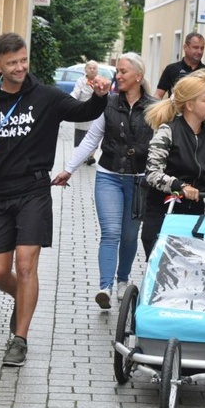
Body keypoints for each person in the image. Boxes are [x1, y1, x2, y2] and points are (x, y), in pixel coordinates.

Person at [0, 33, 111, 367]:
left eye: (23, 60)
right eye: (12, 63)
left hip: (34, 191)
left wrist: (99, 97)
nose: (20, 67)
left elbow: (82, 111)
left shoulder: (45, 96)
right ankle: (24, 300)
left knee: (26, 263)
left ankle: (19, 339)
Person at [52, 53, 155, 309]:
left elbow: (162, 144)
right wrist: (69, 169)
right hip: (108, 176)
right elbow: (90, 139)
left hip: (140, 181)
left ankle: (122, 280)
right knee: (111, 232)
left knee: (130, 236)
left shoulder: (154, 108)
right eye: (117, 71)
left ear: (138, 77)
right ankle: (105, 287)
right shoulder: (108, 103)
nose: (117, 76)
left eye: (123, 72)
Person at [142, 69, 205, 259]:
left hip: (193, 214)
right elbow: (153, 173)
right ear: (189, 105)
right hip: (163, 212)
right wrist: (180, 186)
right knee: (162, 270)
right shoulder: (168, 131)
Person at [155, 32, 205, 127]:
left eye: (202, 48)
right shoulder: (171, 69)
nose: (199, 51)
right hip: (174, 123)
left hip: (200, 126)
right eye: (195, 47)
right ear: (185, 47)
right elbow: (158, 95)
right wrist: (157, 118)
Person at [70, 60, 101, 166]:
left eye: (94, 68)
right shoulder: (81, 81)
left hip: (96, 111)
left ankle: (91, 156)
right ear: (86, 70)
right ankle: (82, 156)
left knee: (95, 133)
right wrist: (70, 102)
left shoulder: (100, 81)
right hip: (83, 109)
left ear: (97, 70)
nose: (92, 70)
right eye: (90, 68)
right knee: (81, 134)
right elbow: (76, 93)